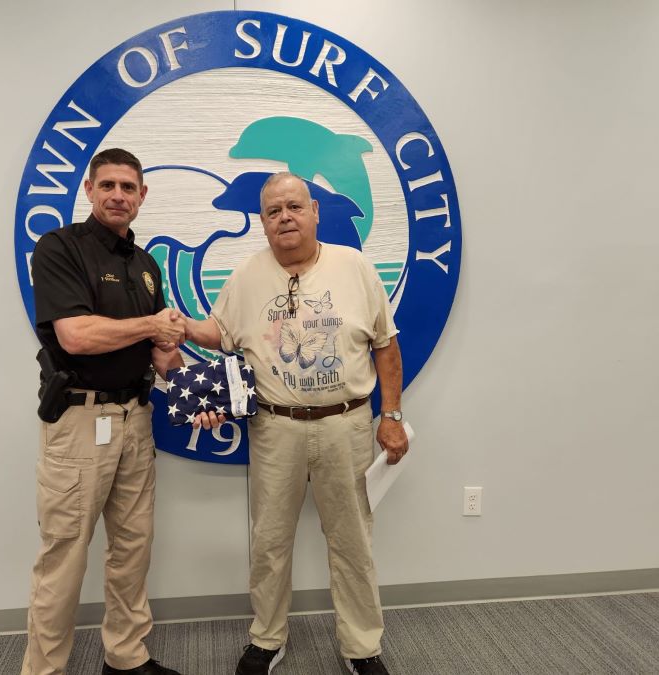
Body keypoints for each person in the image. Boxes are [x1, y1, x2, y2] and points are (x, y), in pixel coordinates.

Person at [183, 172, 409, 675]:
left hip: (345, 424)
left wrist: (391, 415)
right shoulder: (245, 275)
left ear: (315, 212)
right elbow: (218, 334)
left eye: (294, 207)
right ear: (261, 222)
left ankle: (362, 648)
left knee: (352, 541)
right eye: (272, 211)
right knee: (269, 540)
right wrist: (174, 325)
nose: (284, 217)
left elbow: (386, 346)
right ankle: (266, 639)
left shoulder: (354, 267)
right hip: (275, 427)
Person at [22, 148, 186, 675]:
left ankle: (126, 656)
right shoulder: (59, 248)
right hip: (79, 423)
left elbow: (162, 354)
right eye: (109, 185)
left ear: (142, 196)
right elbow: (77, 336)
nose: (119, 195)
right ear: (90, 189)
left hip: (136, 420)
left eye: (129, 187)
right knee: (64, 556)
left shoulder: (145, 265)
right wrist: (151, 326)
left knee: (133, 548)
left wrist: (205, 393)